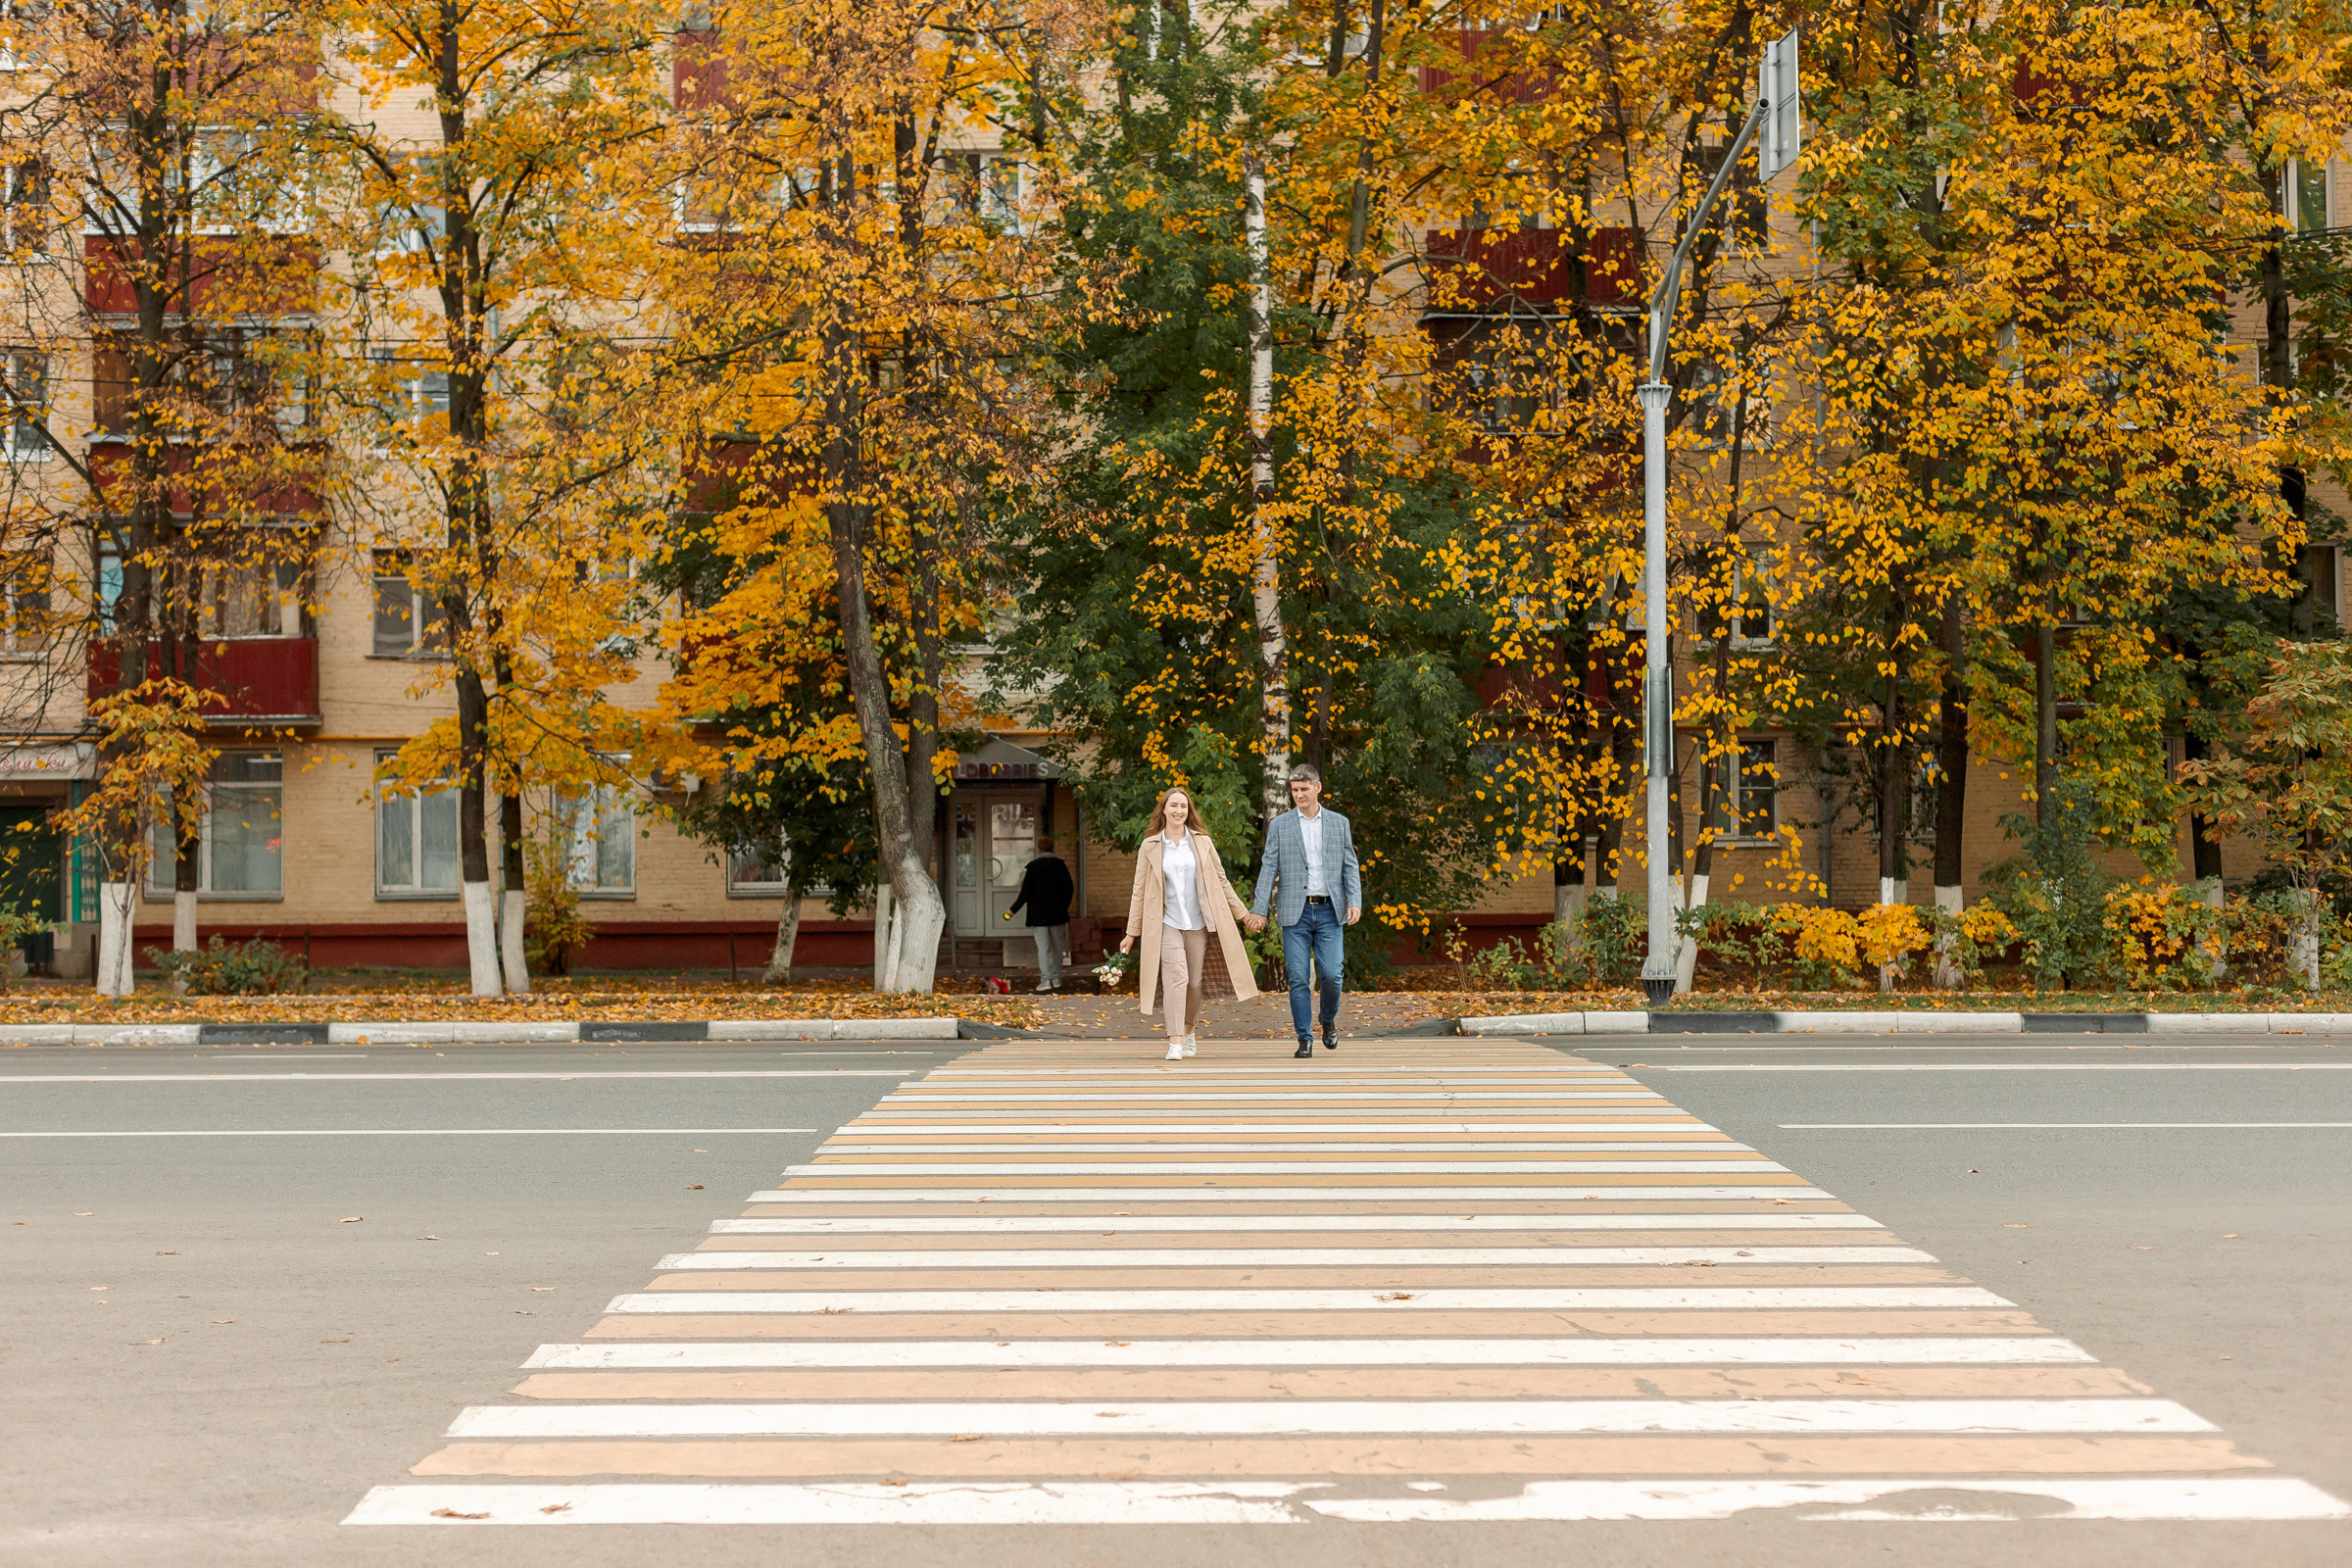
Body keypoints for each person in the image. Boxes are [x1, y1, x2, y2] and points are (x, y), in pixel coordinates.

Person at [1120, 787, 1265, 1060]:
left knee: (1194, 984)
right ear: (1163, 810)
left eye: (1183, 807)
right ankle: (1174, 1041)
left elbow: (1221, 880)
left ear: (1189, 812)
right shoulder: (1150, 846)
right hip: (1166, 923)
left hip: (1199, 922)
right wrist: (1131, 932)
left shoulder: (1202, 842)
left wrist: (1243, 914)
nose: (1178, 811)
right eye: (1173, 806)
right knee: (1177, 979)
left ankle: (1188, 1031)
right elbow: (1138, 890)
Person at [1251, 761, 1361, 1058]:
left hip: (1329, 911)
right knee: (1298, 976)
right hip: (1294, 913)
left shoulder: (1338, 823)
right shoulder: (1280, 825)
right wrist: (1259, 909)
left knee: (1331, 974)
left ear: (1317, 788)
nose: (1298, 795)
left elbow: (1350, 865)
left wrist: (1355, 901)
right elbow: (1268, 869)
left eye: (1303, 789)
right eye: (1294, 790)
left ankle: (1327, 1019)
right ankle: (1304, 1038)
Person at [1004, 835, 1074, 992]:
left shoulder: (1033, 868)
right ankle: (1056, 978)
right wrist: (1064, 906)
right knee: (1057, 947)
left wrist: (1011, 911)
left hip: (1039, 916)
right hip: (1058, 914)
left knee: (1042, 948)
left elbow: (1025, 893)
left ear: (1038, 849)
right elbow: (1069, 888)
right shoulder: (1060, 866)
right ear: (1052, 848)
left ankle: (1045, 980)